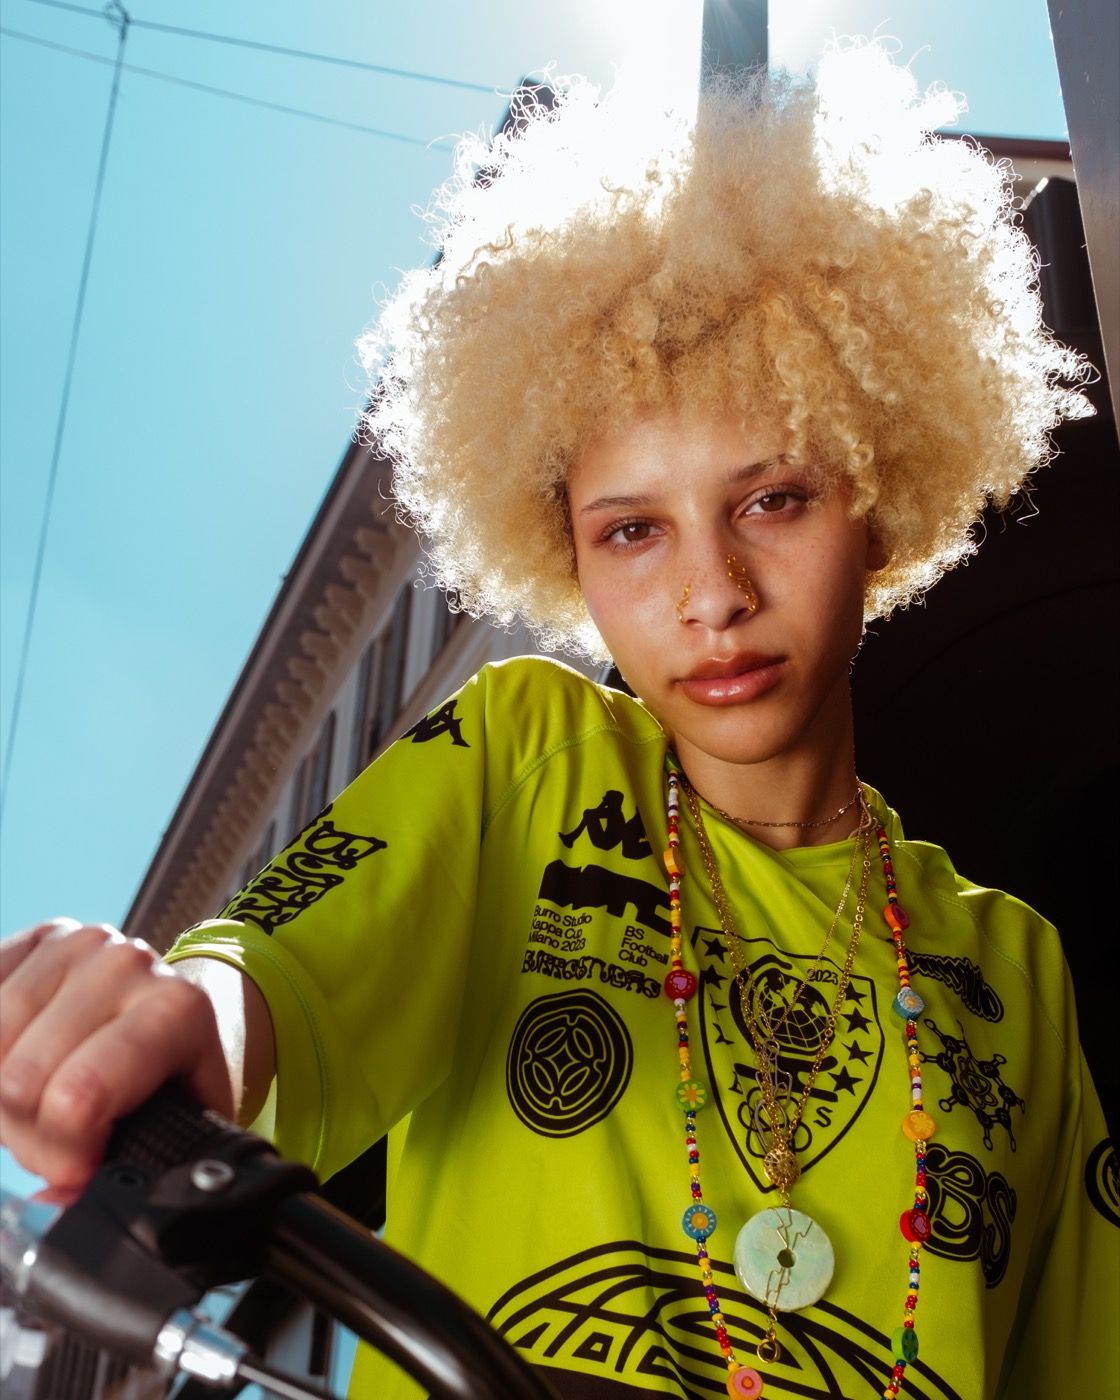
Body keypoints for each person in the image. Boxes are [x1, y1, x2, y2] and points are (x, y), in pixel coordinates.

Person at [1, 42, 1116, 1400]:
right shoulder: (525, 755)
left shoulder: (1016, 966)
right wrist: (175, 1018)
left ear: (878, 502)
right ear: (567, 560)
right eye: (633, 530)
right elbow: (276, 979)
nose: (713, 594)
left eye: (774, 499)